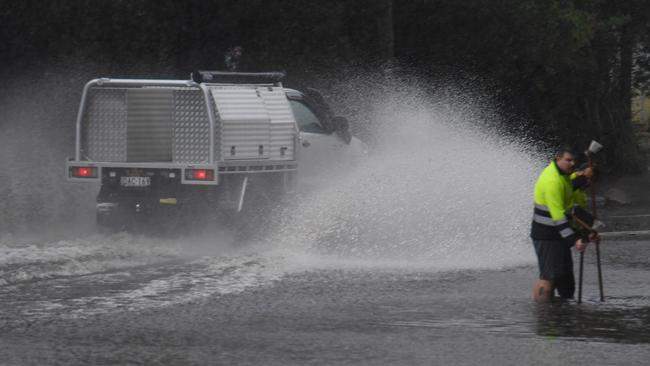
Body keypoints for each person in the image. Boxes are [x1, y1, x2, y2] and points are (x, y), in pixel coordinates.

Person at [531, 148, 596, 303]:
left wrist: (587, 231)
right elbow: (558, 216)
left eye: (574, 161)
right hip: (546, 234)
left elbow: (569, 189)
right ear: (558, 158)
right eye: (568, 160)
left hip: (558, 233)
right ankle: (544, 316)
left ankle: (562, 313)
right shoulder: (551, 180)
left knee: (564, 276)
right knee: (549, 276)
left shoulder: (563, 175)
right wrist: (574, 240)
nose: (572, 164)